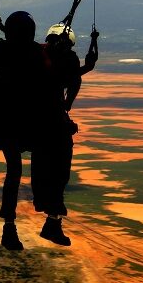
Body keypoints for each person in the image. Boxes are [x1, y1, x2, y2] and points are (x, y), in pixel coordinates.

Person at [0, 11, 54, 251]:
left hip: (5, 125)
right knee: (47, 163)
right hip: (29, 125)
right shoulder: (36, 53)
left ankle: (9, 226)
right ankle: (51, 217)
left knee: (14, 172)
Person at [33, 23, 98, 246]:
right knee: (59, 172)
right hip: (51, 126)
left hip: (34, 127)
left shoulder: (34, 57)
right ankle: (52, 223)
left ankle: (50, 220)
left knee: (43, 170)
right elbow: (72, 77)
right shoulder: (58, 65)